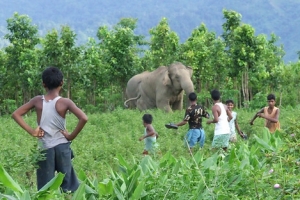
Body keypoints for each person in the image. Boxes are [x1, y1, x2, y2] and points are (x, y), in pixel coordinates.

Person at [12, 66, 88, 193]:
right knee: (69, 186)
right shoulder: (65, 102)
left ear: (43, 84)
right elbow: (84, 118)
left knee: (45, 189)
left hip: (45, 148)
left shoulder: (37, 101)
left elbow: (16, 114)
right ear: (61, 83)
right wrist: (71, 136)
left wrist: (32, 131)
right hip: (62, 147)